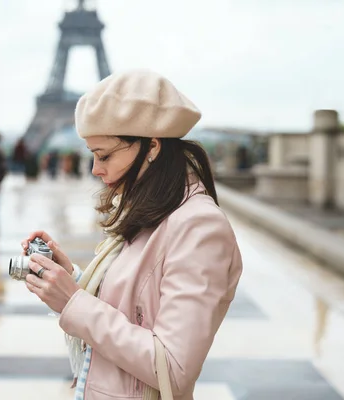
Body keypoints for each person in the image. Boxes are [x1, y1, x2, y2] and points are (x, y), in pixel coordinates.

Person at [20, 70, 243, 400]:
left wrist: (73, 302)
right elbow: (135, 308)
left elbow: (173, 368)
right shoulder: (154, 210)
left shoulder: (200, 227)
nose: (95, 169)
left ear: (151, 146)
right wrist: (72, 279)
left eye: (104, 155)